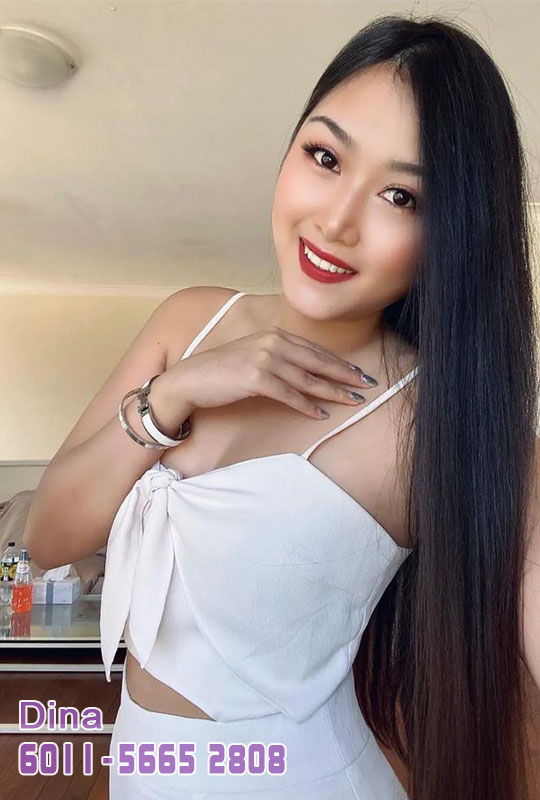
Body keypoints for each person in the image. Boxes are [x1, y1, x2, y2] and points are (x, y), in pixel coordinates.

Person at [23, 12, 540, 800]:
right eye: (325, 156)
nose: (336, 220)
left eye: (400, 196)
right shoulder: (186, 322)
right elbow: (48, 537)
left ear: (452, 234)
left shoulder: (440, 417)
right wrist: (175, 393)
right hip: (142, 764)